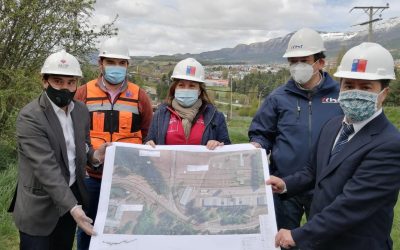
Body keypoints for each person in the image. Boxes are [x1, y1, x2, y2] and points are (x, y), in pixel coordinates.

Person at [268, 42, 400, 250]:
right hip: (324, 241)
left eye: (366, 87)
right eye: (348, 85)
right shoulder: (333, 126)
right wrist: (285, 184)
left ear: (384, 93)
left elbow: (352, 205)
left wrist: (299, 235)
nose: (355, 92)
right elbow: (313, 171)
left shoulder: (390, 144)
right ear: (340, 87)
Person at [8, 50, 109, 250]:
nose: (65, 88)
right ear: (45, 81)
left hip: (71, 201)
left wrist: (95, 156)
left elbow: (82, 146)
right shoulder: (30, 117)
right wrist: (72, 207)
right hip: (40, 207)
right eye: (58, 81)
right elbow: (46, 167)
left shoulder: (80, 111)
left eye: (71, 82)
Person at [248, 28, 343, 236]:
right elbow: (262, 133)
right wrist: (257, 145)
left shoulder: (341, 96)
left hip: (324, 186)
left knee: (321, 239)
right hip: (284, 186)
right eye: (293, 61)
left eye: (304, 60)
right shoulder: (277, 98)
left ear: (320, 62)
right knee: (283, 238)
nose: (297, 66)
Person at [74, 37, 153, 249]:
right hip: (91, 177)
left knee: (123, 228)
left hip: (125, 179)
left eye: (121, 63)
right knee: (87, 227)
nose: (116, 67)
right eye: (111, 62)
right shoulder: (83, 92)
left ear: (127, 65)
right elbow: (74, 133)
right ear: (101, 63)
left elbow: (148, 133)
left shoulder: (139, 96)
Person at [145, 58, 231, 149]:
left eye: (192, 86)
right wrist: (148, 144)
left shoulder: (215, 116)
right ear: (174, 88)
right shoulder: (161, 114)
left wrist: (218, 145)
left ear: (199, 91)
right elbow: (149, 142)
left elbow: (226, 150)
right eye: (181, 85)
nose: (186, 90)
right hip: (168, 163)